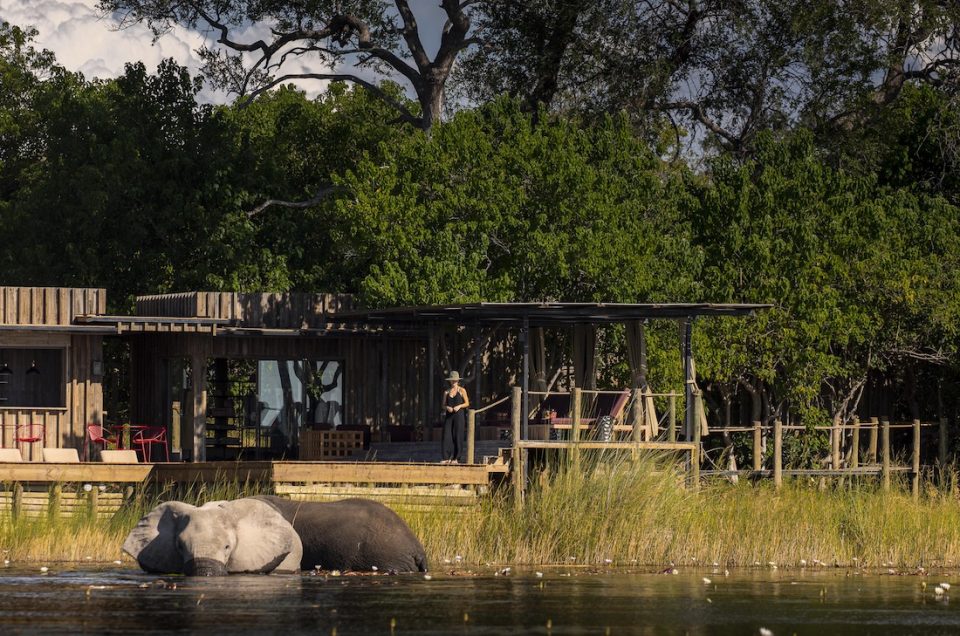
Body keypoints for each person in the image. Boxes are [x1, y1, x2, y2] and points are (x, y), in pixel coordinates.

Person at [441, 370, 469, 464]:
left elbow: (467, 403)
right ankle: (446, 457)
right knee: (447, 435)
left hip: (459, 415)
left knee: (458, 435)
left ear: (458, 381)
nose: (454, 382)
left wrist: (459, 406)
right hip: (449, 416)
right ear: (450, 381)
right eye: (452, 380)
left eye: (455, 380)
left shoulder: (462, 390)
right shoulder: (446, 392)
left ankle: (456, 458)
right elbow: (443, 405)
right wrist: (447, 407)